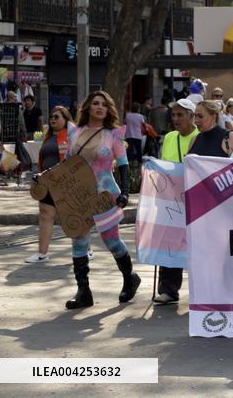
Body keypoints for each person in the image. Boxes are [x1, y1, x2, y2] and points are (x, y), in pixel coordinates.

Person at [63, 91, 140, 310]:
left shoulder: (113, 134)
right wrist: (46, 180)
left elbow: (123, 165)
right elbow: (67, 163)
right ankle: (83, 291)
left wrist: (125, 192)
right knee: (78, 239)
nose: (99, 107)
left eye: (104, 105)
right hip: (78, 195)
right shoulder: (74, 132)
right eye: (95, 103)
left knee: (111, 240)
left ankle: (130, 277)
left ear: (108, 110)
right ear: (87, 107)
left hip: (105, 195)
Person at [153, 98, 199, 305]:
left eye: (181, 115)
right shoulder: (169, 137)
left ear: (192, 116)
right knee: (170, 245)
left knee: (197, 246)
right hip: (170, 198)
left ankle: (201, 289)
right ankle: (169, 290)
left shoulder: (200, 137)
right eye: (174, 115)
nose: (176, 119)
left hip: (195, 199)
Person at [25, 106, 79, 264]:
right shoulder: (48, 137)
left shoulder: (71, 136)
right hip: (47, 183)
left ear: (66, 120)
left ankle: (84, 250)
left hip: (65, 183)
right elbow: (42, 161)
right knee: (45, 215)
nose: (53, 119)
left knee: (71, 217)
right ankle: (42, 254)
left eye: (57, 117)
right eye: (51, 117)